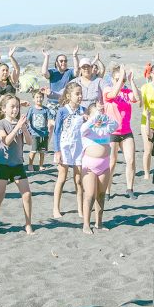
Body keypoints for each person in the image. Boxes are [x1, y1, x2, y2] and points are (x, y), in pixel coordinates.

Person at [0, 94, 34, 235]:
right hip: (2, 164)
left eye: (17, 107)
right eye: (12, 106)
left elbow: (30, 142)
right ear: (4, 108)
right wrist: (17, 127)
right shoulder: (0, 124)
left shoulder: (20, 123)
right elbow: (5, 141)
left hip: (18, 164)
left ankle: (28, 224)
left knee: (26, 194)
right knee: (0, 194)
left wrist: (24, 128)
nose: (15, 109)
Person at [79, 103, 118, 234]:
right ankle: (86, 224)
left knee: (101, 195)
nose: (98, 117)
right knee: (89, 194)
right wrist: (93, 118)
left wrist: (103, 116)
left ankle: (99, 223)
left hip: (104, 165)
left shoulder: (105, 128)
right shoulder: (88, 129)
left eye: (100, 114)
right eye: (96, 114)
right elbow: (83, 128)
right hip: (89, 165)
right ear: (88, 116)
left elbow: (115, 125)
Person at [104, 65, 140, 200]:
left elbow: (136, 98)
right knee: (111, 163)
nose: (121, 82)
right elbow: (113, 94)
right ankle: (107, 190)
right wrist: (121, 78)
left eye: (122, 79)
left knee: (130, 161)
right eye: (118, 79)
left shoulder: (127, 92)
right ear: (112, 79)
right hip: (112, 132)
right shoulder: (107, 90)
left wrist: (131, 80)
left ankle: (130, 188)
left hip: (126, 131)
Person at [52, 82, 85, 218]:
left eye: (81, 93)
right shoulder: (62, 110)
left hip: (79, 147)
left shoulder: (83, 110)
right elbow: (57, 131)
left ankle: (81, 209)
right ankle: (56, 208)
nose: (80, 96)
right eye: (77, 94)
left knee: (78, 179)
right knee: (62, 178)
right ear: (68, 95)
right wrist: (57, 150)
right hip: (64, 146)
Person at [26, 89, 52, 171]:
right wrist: (28, 129)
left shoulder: (46, 109)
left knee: (42, 152)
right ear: (33, 99)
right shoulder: (31, 109)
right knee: (33, 151)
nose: (39, 99)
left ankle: (41, 165)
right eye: (37, 97)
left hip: (44, 134)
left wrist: (51, 127)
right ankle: (30, 165)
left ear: (43, 98)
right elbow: (27, 120)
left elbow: (50, 120)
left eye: (40, 97)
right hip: (34, 134)